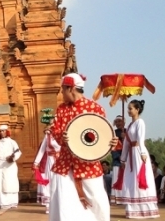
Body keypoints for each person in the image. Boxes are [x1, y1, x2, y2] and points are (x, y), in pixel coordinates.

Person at [48, 73, 117, 221]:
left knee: (97, 203)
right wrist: (62, 137)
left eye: (63, 89)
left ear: (71, 88)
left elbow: (103, 135)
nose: (61, 93)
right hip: (65, 166)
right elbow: (55, 130)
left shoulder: (95, 109)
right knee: (65, 206)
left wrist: (111, 142)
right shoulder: (61, 109)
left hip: (88, 165)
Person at [114, 100, 159, 219]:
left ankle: (146, 209)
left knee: (140, 179)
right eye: (128, 108)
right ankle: (133, 209)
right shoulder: (129, 126)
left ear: (137, 110)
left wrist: (143, 153)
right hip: (130, 155)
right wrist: (123, 159)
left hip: (138, 153)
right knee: (131, 180)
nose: (129, 111)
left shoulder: (140, 122)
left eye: (131, 108)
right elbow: (126, 144)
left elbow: (140, 138)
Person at [32, 125, 60, 213]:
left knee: (60, 182)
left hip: (60, 161)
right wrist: (36, 163)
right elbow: (42, 150)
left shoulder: (62, 134)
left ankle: (59, 203)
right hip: (50, 161)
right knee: (49, 181)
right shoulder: (48, 136)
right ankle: (48, 205)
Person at [110, 115, 125, 204]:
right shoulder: (113, 133)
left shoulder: (127, 132)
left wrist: (126, 137)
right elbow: (112, 147)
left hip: (127, 159)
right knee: (116, 178)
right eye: (117, 121)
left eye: (120, 121)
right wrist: (119, 157)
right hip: (117, 160)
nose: (119, 123)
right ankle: (117, 198)